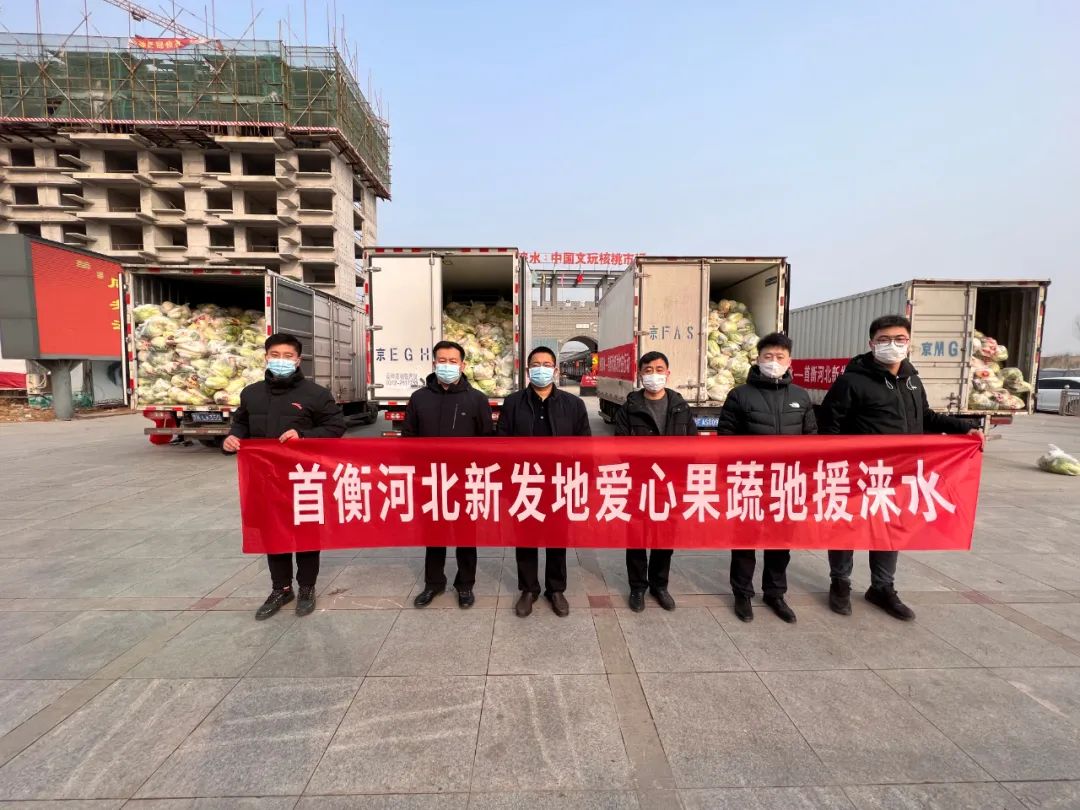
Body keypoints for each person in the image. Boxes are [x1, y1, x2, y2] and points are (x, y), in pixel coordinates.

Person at [821, 315, 982, 621]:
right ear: (871, 344)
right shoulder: (851, 382)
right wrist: (837, 465)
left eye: (899, 339)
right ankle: (840, 583)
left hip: (899, 474)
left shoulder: (911, 380)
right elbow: (829, 426)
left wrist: (964, 427)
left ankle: (882, 587)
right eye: (884, 340)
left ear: (909, 343)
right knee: (847, 527)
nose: (892, 345)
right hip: (858, 474)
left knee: (889, 529)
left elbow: (926, 417)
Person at [224, 333, 347, 620]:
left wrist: (303, 435)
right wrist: (231, 438)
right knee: (273, 534)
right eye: (275, 355)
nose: (281, 360)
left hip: (304, 478)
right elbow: (241, 423)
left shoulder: (315, 394)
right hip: (265, 478)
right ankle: (281, 588)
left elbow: (335, 427)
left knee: (306, 535)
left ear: (298, 360)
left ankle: (307, 588)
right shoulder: (251, 393)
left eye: (288, 356)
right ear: (266, 357)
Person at [717, 332, 816, 624]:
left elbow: (812, 440)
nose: (773, 362)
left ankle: (775, 593)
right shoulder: (739, 395)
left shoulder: (800, 396)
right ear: (758, 359)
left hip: (787, 483)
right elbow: (725, 439)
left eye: (779, 357)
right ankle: (742, 593)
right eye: (768, 356)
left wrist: (808, 478)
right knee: (745, 541)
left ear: (789, 361)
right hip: (750, 481)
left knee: (781, 542)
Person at [497, 346, 591, 618]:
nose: (541, 369)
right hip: (524, 482)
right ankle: (528, 589)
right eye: (536, 365)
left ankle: (556, 589)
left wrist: (582, 480)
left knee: (557, 537)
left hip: (560, 483)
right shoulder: (513, 403)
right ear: (528, 371)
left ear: (556, 370)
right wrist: (505, 481)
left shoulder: (573, 404)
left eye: (547, 364)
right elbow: (501, 443)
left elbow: (585, 446)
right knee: (525, 538)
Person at [404, 340, 494, 609]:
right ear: (434, 363)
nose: (447, 365)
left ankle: (465, 585)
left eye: (453, 361)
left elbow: (487, 441)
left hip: (465, 481)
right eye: (442, 360)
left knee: (466, 535)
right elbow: (408, 439)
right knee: (434, 535)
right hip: (431, 480)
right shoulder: (419, 398)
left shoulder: (476, 399)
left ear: (462, 365)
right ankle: (434, 583)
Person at [615, 351, 698, 612]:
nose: (654, 375)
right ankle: (637, 587)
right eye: (648, 370)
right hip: (639, 484)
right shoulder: (629, 408)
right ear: (640, 374)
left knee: (665, 537)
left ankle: (660, 586)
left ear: (668, 373)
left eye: (659, 370)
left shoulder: (681, 407)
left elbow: (693, 447)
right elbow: (620, 448)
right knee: (637, 538)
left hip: (670, 485)